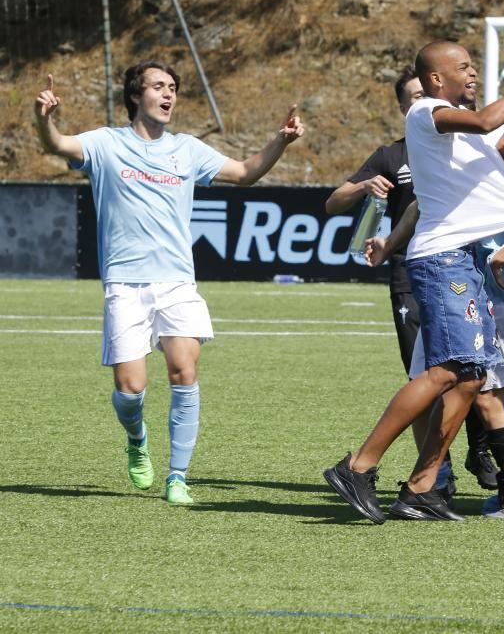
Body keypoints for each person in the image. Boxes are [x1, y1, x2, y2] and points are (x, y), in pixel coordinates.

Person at [33, 62, 304, 505]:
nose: (169, 94)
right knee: (131, 390)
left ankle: (178, 477)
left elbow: (245, 172)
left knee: (185, 372)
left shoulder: (188, 150)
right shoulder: (105, 144)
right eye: (158, 86)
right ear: (136, 96)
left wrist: (281, 141)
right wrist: (44, 119)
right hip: (126, 284)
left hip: (178, 282)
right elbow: (58, 144)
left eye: (173, 88)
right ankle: (137, 440)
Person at [322, 40, 504, 524]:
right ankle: (357, 467)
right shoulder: (425, 110)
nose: (473, 73)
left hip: (463, 262)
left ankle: (421, 487)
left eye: (473, 66)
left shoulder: (461, 126)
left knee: (472, 376)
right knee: (444, 372)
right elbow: (483, 121)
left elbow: (498, 148)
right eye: (463, 68)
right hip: (442, 262)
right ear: (436, 80)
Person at [324, 67, 497, 494]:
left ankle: (478, 452)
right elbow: (333, 203)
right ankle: (437, 476)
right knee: (430, 373)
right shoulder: (392, 154)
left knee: (471, 371)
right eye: (414, 96)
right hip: (412, 272)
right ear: (405, 108)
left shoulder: (459, 146)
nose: (425, 100)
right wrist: (364, 185)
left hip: (462, 267)